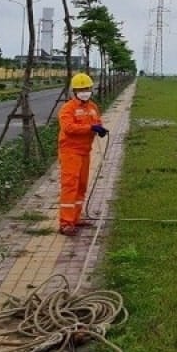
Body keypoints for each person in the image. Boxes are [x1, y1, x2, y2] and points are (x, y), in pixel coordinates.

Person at [57, 72, 108, 236]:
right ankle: (66, 222)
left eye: (87, 88)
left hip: (85, 151)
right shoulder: (68, 108)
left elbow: (97, 122)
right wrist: (90, 128)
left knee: (81, 185)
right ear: (74, 91)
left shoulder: (93, 107)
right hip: (70, 152)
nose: (85, 91)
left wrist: (99, 128)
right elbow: (68, 128)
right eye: (81, 89)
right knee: (70, 185)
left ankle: (76, 217)